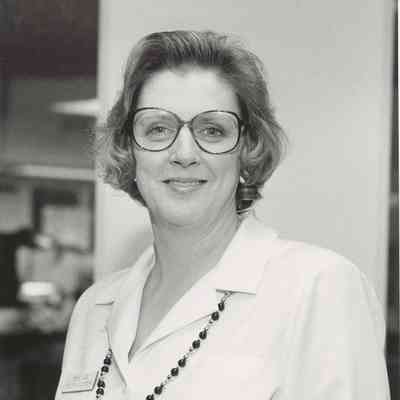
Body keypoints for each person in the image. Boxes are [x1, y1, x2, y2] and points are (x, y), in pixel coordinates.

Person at [55, 30, 390, 399]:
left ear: (247, 148)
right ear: (128, 148)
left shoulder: (318, 289)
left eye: (212, 130)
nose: (184, 154)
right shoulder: (94, 309)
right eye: (158, 129)